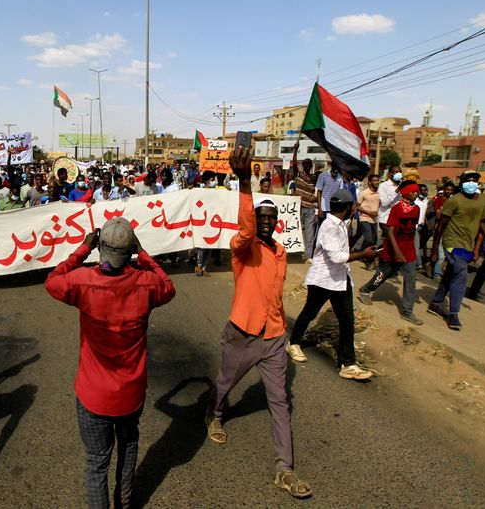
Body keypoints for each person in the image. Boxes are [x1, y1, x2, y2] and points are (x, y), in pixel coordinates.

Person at [44, 218, 175, 509]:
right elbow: (168, 285)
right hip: (131, 393)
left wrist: (81, 249)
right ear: (129, 251)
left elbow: (52, 281)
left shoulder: (82, 281)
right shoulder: (147, 284)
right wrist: (144, 254)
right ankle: (124, 503)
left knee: (96, 462)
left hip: (93, 396)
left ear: (100, 248)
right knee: (128, 448)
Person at [205, 146, 312, 499]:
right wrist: (244, 183)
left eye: (270, 218)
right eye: (261, 218)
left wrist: (283, 333)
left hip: (274, 337)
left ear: (277, 222)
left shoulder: (281, 252)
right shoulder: (242, 247)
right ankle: (214, 414)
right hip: (242, 333)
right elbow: (246, 227)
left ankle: (284, 469)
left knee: (279, 401)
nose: (265, 222)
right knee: (224, 383)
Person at [286, 190, 377, 380]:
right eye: (352, 205)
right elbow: (337, 257)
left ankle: (348, 364)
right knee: (310, 312)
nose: (354, 207)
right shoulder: (329, 226)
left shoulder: (343, 224)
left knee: (347, 321)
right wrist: (363, 254)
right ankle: (293, 342)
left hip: (340, 280)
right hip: (323, 280)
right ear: (346, 207)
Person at [428, 171, 485, 330]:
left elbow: (482, 223)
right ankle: (453, 313)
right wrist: (435, 250)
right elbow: (440, 227)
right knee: (461, 273)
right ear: (462, 183)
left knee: (452, 272)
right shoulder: (454, 201)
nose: (471, 184)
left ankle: (435, 303)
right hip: (452, 242)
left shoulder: (483, 201)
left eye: (474, 181)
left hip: (467, 244)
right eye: (468, 181)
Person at [358, 181, 424, 325]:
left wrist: (411, 249)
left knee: (411, 279)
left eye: (417, 191)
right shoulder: (396, 209)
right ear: (405, 193)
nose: (416, 193)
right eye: (413, 192)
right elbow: (390, 231)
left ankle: (407, 311)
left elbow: (412, 231)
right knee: (382, 275)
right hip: (392, 250)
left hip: (408, 251)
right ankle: (365, 290)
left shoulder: (417, 209)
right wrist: (398, 252)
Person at [291, 143, 317, 263]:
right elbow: (294, 163)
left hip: (310, 208)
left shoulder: (314, 179)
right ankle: (291, 250)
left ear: (311, 166)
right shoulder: (298, 174)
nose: (307, 166)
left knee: (309, 234)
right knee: (293, 229)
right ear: (303, 165)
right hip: (298, 207)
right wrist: (295, 151)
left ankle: (308, 256)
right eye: (305, 164)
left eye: (309, 164)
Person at [195, 171, 220, 277]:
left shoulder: (218, 191)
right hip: (202, 220)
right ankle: (199, 265)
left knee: (209, 247)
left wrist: (229, 191)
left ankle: (204, 267)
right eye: (212, 179)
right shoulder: (199, 190)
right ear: (206, 180)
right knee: (201, 247)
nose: (214, 181)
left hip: (213, 221)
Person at [429, 181, 455, 280]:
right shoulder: (439, 200)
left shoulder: (454, 200)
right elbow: (439, 215)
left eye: (451, 190)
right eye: (447, 189)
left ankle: (434, 267)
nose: (449, 191)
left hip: (451, 230)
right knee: (440, 253)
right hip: (441, 228)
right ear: (444, 190)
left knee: (448, 253)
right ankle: (437, 274)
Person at [356, 174, 380, 254]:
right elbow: (357, 206)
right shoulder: (364, 193)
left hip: (374, 220)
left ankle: (368, 256)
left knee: (373, 241)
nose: (377, 182)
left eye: (377, 180)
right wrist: (369, 212)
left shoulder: (378, 194)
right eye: (375, 180)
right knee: (369, 239)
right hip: (364, 218)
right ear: (370, 182)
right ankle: (362, 254)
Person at [377, 166, 402, 239]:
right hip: (386, 219)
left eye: (400, 172)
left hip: (398, 219)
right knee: (391, 241)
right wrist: (396, 191)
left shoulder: (402, 185)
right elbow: (384, 203)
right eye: (397, 172)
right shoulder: (383, 186)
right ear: (391, 174)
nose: (399, 174)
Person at [414, 183, 429, 270]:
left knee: (418, 245)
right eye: (422, 190)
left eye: (425, 190)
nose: (424, 192)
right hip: (414, 226)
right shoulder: (415, 201)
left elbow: (424, 214)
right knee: (416, 246)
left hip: (421, 226)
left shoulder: (426, 200)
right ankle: (418, 264)